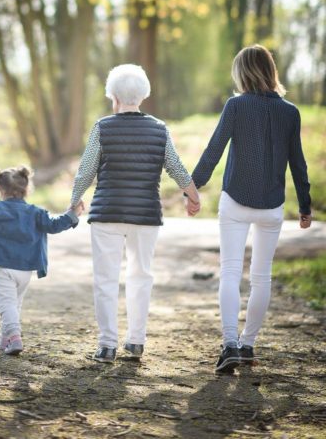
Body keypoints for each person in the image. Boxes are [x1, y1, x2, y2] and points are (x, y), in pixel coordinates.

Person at [191, 44, 313, 374]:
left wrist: (193, 187)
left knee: (230, 271)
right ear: (271, 71)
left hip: (235, 200)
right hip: (272, 206)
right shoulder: (290, 111)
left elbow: (214, 149)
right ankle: (247, 345)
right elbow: (297, 163)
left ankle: (230, 344)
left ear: (242, 73)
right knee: (261, 277)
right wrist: (305, 205)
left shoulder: (236, 106)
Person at [70, 63, 201, 364]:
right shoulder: (159, 129)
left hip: (107, 215)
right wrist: (193, 196)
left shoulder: (102, 127)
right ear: (143, 95)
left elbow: (85, 171)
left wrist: (74, 201)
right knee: (141, 276)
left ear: (113, 97)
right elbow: (176, 168)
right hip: (145, 216)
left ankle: (106, 345)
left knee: (105, 279)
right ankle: (136, 343)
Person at [0, 167, 81, 355]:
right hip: (26, 269)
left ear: (0, 190)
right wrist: (72, 215)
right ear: (26, 189)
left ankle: (15, 337)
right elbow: (54, 225)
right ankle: (4, 339)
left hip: (3, 268)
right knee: (14, 304)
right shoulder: (36, 213)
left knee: (6, 305)